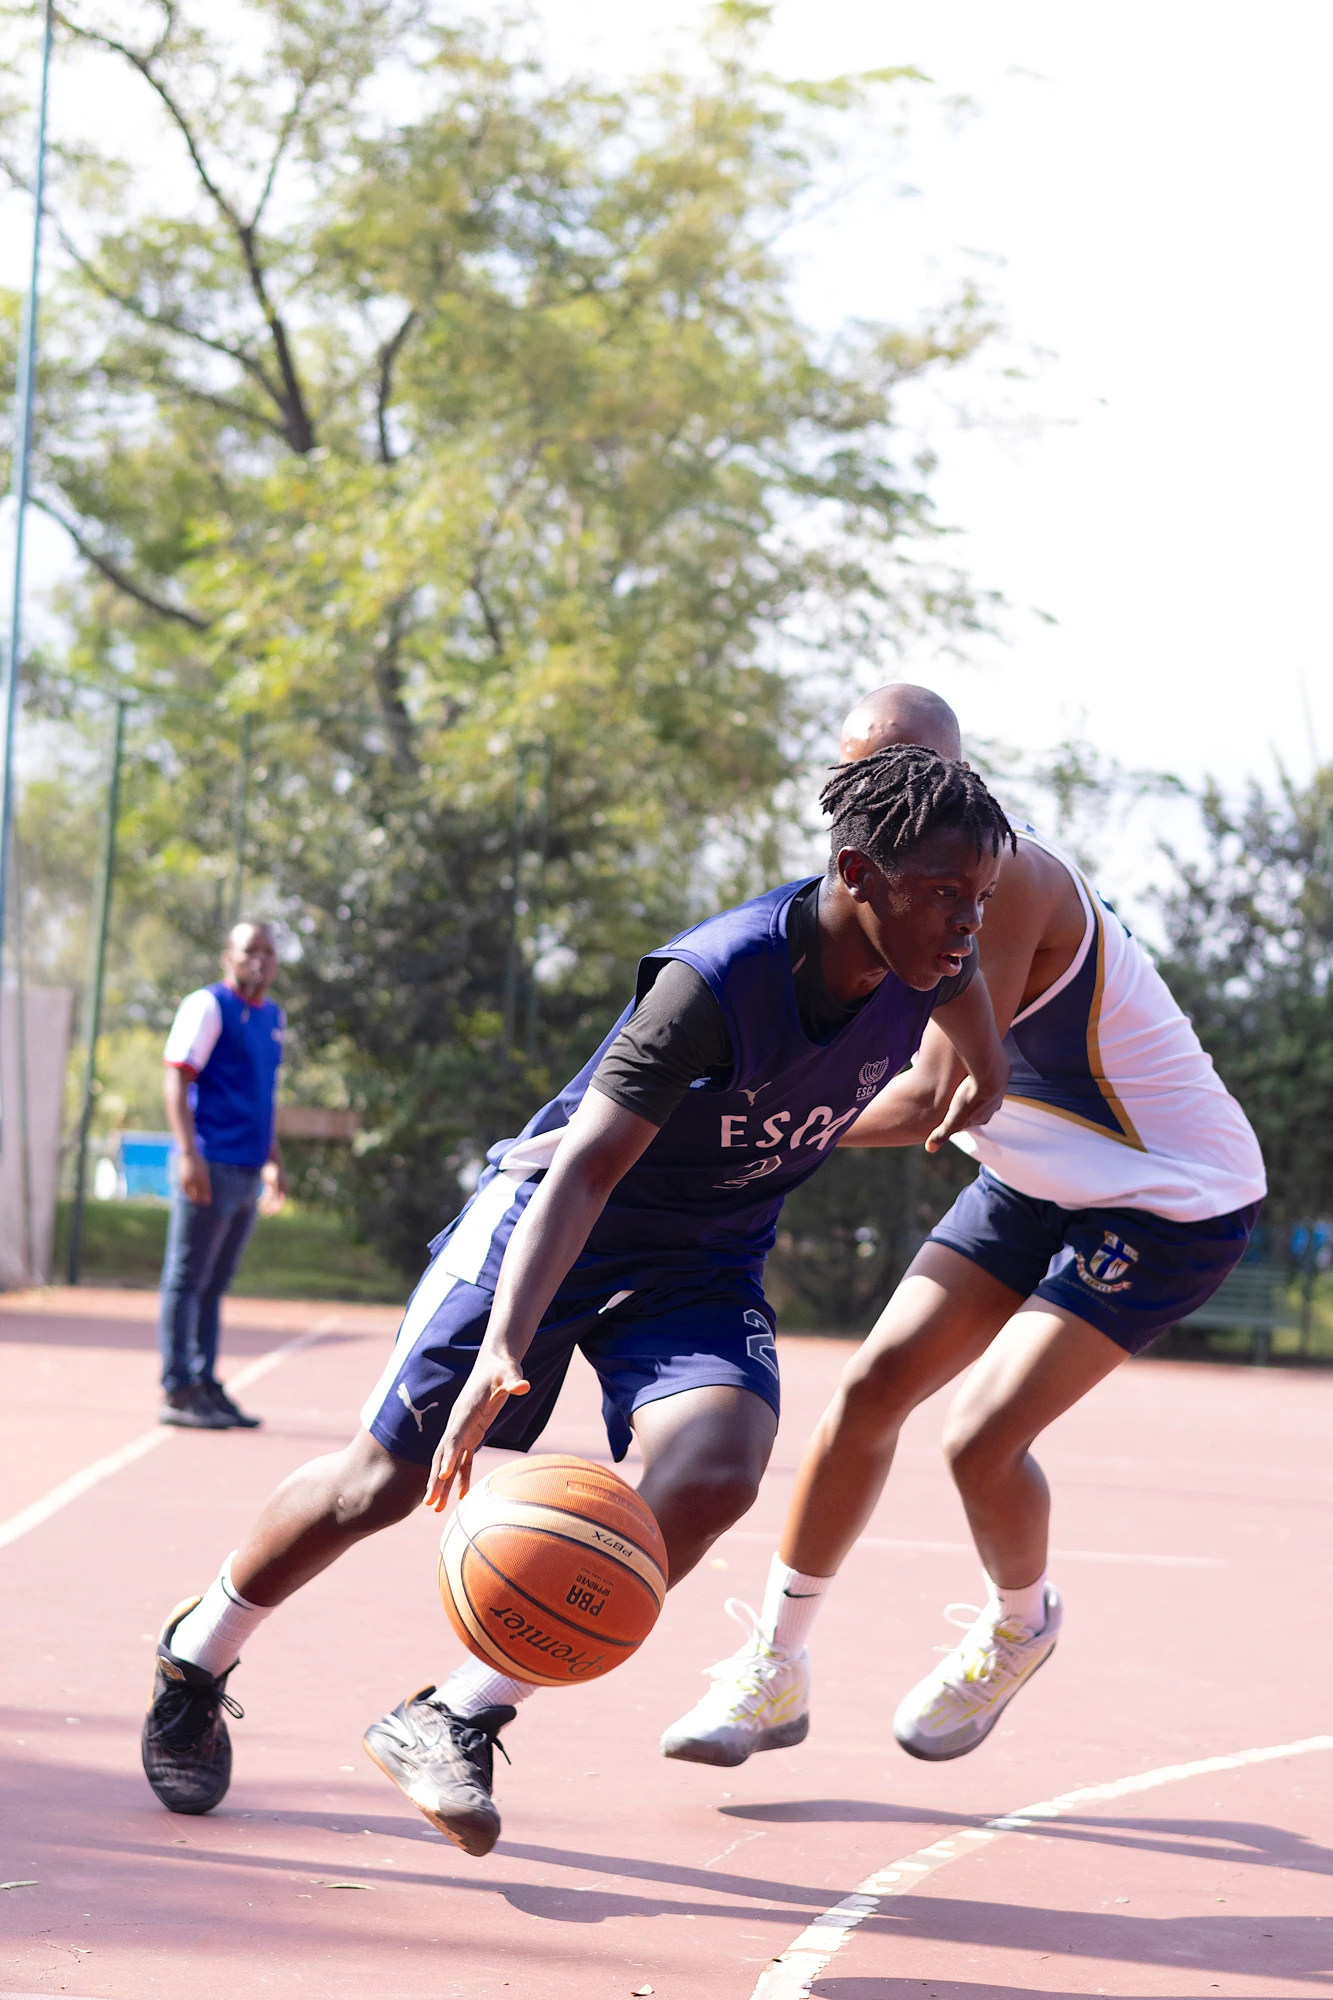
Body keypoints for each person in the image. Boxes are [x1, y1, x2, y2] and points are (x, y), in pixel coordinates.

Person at [139, 746, 1014, 1855]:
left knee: (715, 1470)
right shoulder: (715, 979)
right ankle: (195, 1652)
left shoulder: (935, 959)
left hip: (701, 1260)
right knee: (385, 1481)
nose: (968, 923)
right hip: (550, 1226)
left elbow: (960, 1070)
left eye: (980, 899)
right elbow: (583, 1174)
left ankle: (454, 1711)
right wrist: (504, 1346)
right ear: (855, 870)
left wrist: (964, 1080)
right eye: (946, 894)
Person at [662, 683, 1266, 1769]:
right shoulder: (867, 890)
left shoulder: (995, 886)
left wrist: (729, 1122)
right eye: (849, 779)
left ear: (956, 778)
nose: (867, 797)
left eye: (895, 773)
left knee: (979, 1434)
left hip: (1166, 1192)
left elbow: (940, 1093)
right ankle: (775, 1663)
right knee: (866, 1390)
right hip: (1034, 1175)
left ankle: (1019, 1623)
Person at [157, 920, 288, 1431]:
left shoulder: (272, 1016)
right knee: (187, 1279)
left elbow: (263, 1098)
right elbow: (176, 1077)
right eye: (249, 950)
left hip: (248, 1168)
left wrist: (274, 1159)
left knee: (214, 1284)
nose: (260, 960)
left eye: (268, 952)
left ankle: (205, 1381)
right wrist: (188, 1152)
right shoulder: (208, 1006)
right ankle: (179, 1387)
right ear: (226, 958)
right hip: (208, 1162)